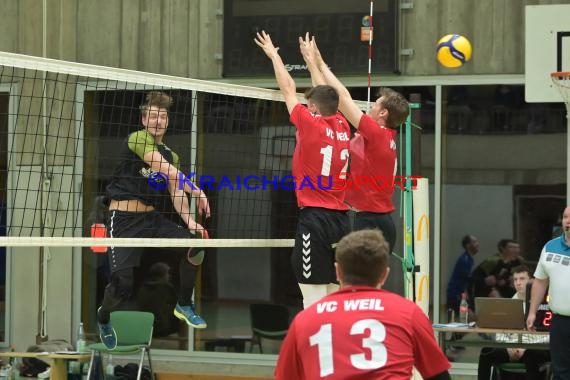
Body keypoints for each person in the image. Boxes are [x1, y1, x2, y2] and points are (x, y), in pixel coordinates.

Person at [98, 91, 210, 349]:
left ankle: (183, 304)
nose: (158, 121)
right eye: (153, 116)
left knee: (195, 246)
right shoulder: (138, 139)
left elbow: (175, 190)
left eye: (163, 117)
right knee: (122, 284)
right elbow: (163, 168)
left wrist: (190, 221)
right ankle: (104, 318)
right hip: (122, 220)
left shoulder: (172, 154)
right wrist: (198, 189)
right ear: (144, 119)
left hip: (150, 219)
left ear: (168, 121)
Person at [254, 31, 351, 309]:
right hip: (341, 221)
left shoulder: (310, 123)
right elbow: (326, 95)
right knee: (334, 294)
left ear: (312, 108)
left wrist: (274, 55)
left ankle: (316, 348)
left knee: (312, 297)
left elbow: (287, 88)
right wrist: (312, 63)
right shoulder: (343, 124)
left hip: (316, 219)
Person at [274, 229, 451, 380]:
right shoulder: (408, 313)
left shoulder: (304, 321)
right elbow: (439, 376)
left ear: (337, 272)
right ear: (384, 274)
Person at [298, 33, 409, 255]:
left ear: (384, 113)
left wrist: (312, 63)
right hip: (375, 221)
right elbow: (341, 96)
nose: (371, 107)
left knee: (358, 285)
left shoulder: (377, 134)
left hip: (369, 223)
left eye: (375, 105)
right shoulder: (385, 136)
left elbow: (343, 100)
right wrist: (320, 64)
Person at [478, 265, 550, 380]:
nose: (518, 283)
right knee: (486, 352)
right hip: (512, 348)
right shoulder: (510, 303)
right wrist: (508, 347)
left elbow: (549, 334)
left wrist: (525, 348)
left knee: (531, 354)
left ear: (532, 281)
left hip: (533, 348)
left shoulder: (543, 303)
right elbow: (501, 332)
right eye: (515, 279)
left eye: (522, 279)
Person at [527, 205, 570, 379]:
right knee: (561, 371)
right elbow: (540, 281)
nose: (568, 221)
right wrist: (532, 312)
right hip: (559, 321)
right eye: (566, 217)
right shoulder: (550, 247)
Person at [469, 239, 523, 306]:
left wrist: (509, 281)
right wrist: (484, 281)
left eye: (518, 248)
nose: (516, 250)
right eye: (512, 247)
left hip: (507, 294)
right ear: (503, 249)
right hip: (488, 294)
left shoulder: (518, 262)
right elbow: (472, 278)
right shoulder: (492, 261)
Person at [446, 234, 479, 316]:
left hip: (459, 294)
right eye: (474, 242)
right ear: (468, 245)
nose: (477, 244)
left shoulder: (469, 259)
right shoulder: (464, 260)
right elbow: (466, 278)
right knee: (469, 316)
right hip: (456, 294)